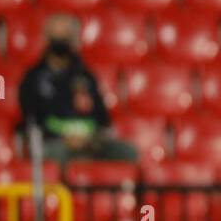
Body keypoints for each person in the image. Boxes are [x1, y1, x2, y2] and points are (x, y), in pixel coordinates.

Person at [19, 14, 137, 164]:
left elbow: (102, 118)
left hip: (90, 141)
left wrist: (89, 138)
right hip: (56, 142)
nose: (61, 41)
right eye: (57, 36)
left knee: (127, 152)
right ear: (47, 38)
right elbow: (31, 121)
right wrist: (63, 138)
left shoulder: (85, 75)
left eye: (66, 35)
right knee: (58, 155)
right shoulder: (33, 78)